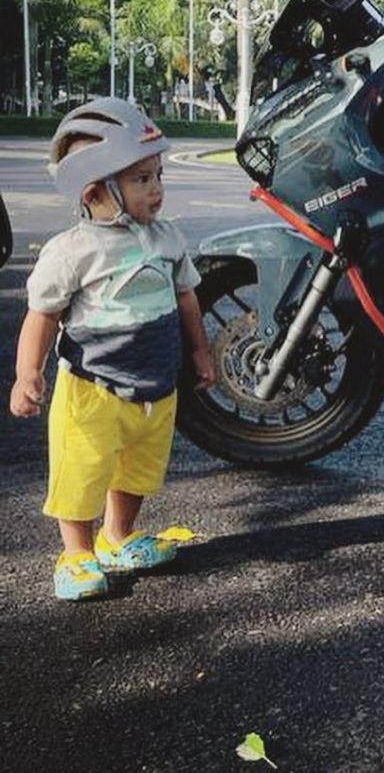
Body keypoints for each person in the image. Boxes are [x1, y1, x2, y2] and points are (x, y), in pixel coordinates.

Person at [9, 98, 215, 601]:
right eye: (142, 179)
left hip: (155, 387)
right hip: (93, 391)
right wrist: (27, 374)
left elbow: (187, 299)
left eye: (158, 175)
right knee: (81, 473)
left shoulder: (166, 238)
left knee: (139, 469)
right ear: (97, 191)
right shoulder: (73, 251)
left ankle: (118, 535)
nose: (157, 188)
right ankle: (76, 553)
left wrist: (201, 354)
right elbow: (43, 316)